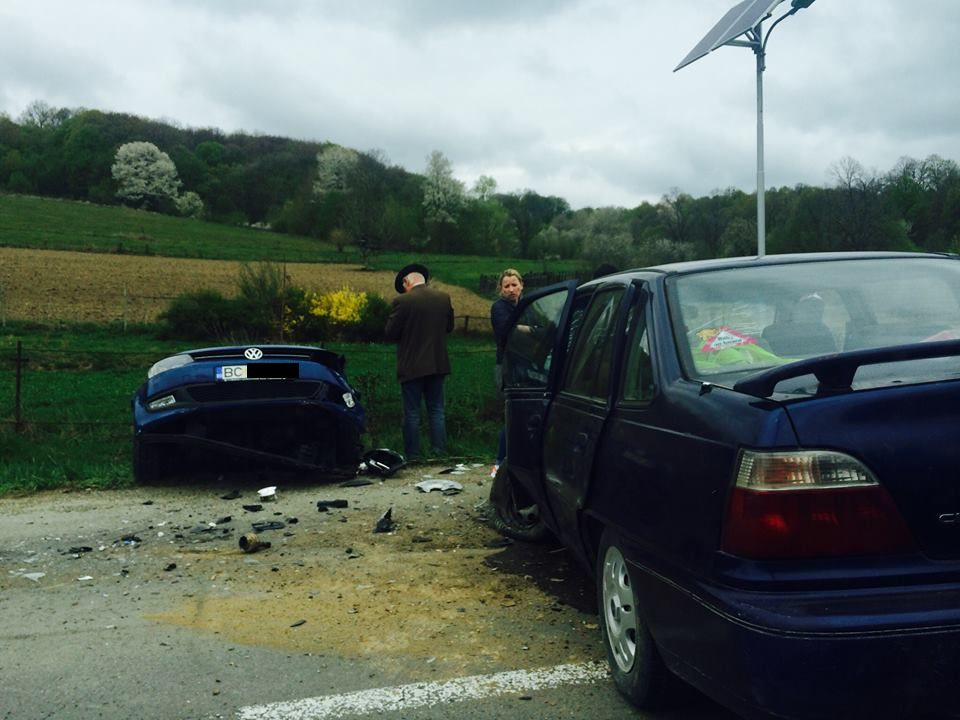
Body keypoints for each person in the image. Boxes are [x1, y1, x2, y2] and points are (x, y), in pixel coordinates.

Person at [384, 263, 455, 460]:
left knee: (412, 413)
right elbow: (449, 327)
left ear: (406, 281)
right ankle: (439, 452)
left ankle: (413, 455)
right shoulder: (443, 298)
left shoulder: (403, 302)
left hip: (412, 365)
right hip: (437, 363)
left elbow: (390, 333)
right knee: (437, 410)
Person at [489, 268, 524, 477]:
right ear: (501, 289)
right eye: (506, 286)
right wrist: (531, 329)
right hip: (508, 366)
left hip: (529, 365)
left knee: (523, 413)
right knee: (511, 413)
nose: (511, 289)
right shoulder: (499, 308)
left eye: (514, 284)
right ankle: (500, 461)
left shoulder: (529, 305)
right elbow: (507, 332)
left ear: (522, 285)